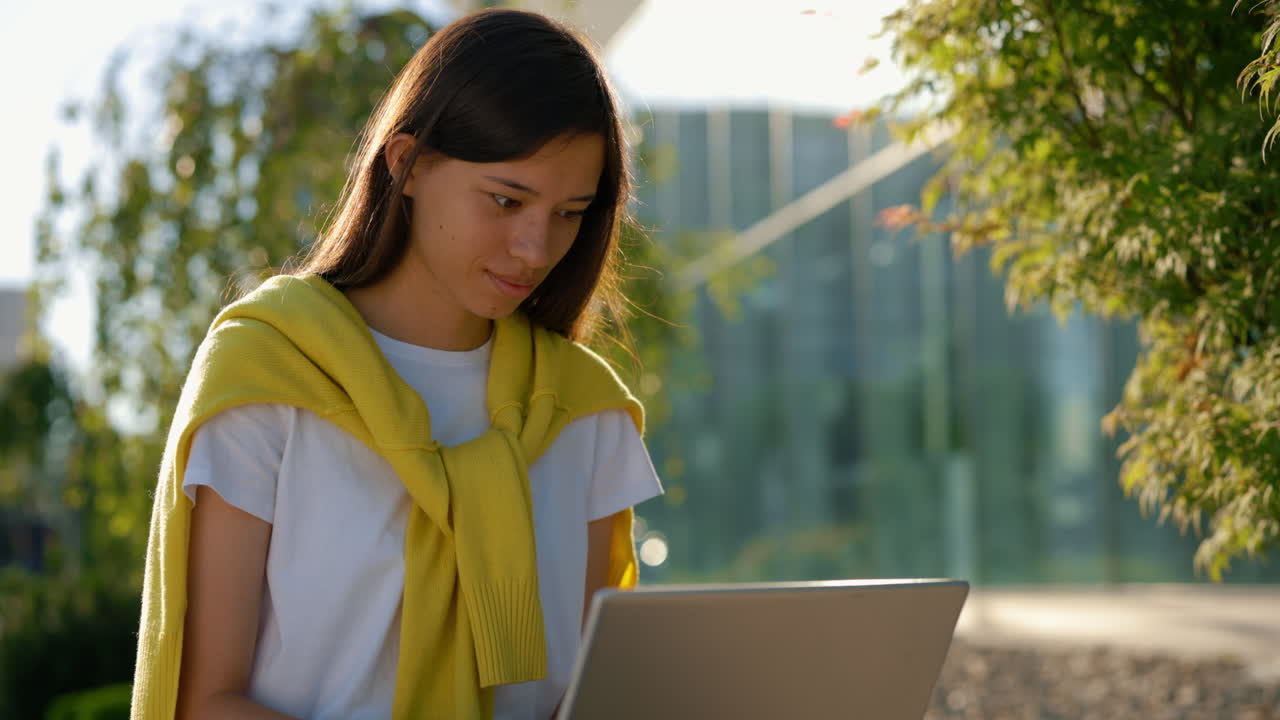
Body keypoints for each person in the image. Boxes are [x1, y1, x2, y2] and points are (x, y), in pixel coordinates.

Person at [130, 8, 663, 720]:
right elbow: (205, 703)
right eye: (507, 200)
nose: (536, 248)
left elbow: (593, 700)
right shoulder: (267, 376)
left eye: (570, 213)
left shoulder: (585, 412)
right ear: (405, 164)